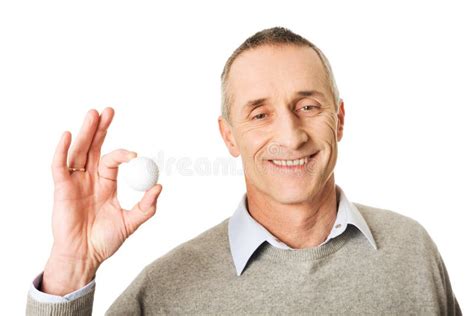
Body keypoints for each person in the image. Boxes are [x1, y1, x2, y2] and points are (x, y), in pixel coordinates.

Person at [26, 26, 462, 315]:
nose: (291, 136)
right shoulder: (166, 290)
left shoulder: (412, 249)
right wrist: (72, 265)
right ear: (229, 136)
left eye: (308, 106)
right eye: (259, 114)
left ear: (340, 120)